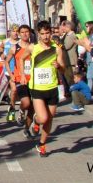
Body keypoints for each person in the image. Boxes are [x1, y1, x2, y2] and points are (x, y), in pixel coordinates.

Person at [18, 20, 65, 157]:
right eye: (42, 34)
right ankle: (36, 119)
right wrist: (22, 75)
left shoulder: (56, 48)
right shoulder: (33, 48)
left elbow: (63, 68)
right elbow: (21, 59)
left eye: (47, 33)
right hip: (37, 88)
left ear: (51, 33)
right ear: (38, 34)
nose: (45, 36)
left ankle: (42, 144)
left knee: (49, 119)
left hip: (52, 88)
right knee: (43, 118)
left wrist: (58, 66)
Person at [7, 24, 35, 136]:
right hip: (20, 79)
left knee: (32, 107)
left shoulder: (34, 47)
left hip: (32, 79)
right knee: (26, 103)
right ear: (19, 34)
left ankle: (27, 129)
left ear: (30, 33)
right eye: (22, 32)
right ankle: (21, 111)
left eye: (27, 32)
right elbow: (6, 61)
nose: (25, 34)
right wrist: (11, 74)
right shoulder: (15, 48)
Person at [0, 26, 20, 122]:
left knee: (17, 91)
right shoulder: (5, 41)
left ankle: (13, 103)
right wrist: (1, 54)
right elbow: (0, 47)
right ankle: (12, 109)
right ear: (10, 32)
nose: (15, 33)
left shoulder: (21, 42)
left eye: (17, 31)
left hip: (20, 70)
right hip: (9, 69)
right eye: (13, 31)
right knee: (14, 89)